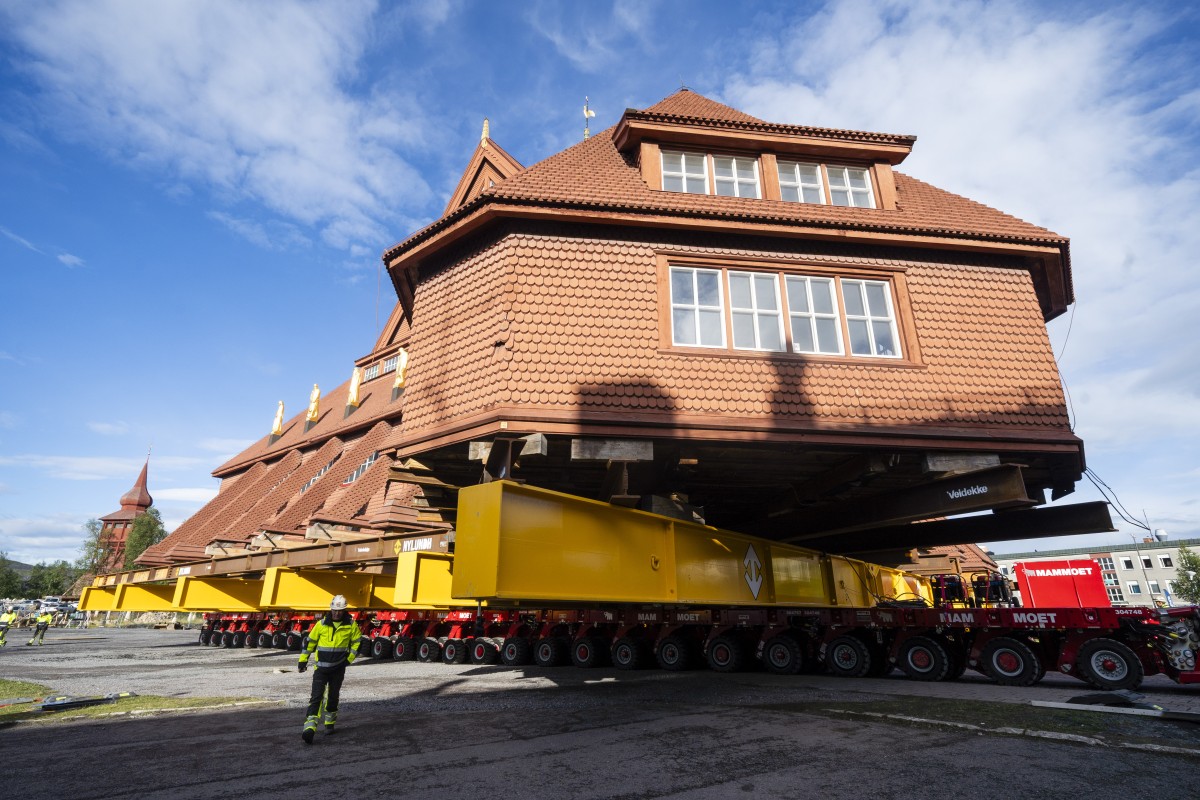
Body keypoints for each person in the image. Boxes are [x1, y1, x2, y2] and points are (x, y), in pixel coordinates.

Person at [298, 595, 361, 743]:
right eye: (334, 610)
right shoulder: (320, 624)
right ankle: (309, 729)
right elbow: (309, 644)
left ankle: (329, 724)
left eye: (339, 611)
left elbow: (357, 643)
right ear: (330, 609)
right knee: (316, 697)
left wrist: (348, 660)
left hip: (338, 669)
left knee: (333, 697)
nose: (336, 613)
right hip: (320, 669)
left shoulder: (351, 625)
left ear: (344, 611)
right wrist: (302, 661)